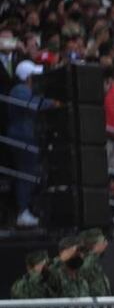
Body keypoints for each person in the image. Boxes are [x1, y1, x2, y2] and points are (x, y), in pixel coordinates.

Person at [9, 59, 47, 228]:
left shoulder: (27, 90)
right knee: (25, 175)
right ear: (27, 77)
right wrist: (52, 103)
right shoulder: (19, 90)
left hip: (28, 137)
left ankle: (29, 209)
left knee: (31, 175)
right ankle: (22, 212)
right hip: (22, 138)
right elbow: (32, 105)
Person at [78, 227, 111, 296]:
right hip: (89, 303)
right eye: (102, 242)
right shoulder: (82, 258)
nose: (105, 244)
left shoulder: (94, 261)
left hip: (101, 302)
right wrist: (95, 252)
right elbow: (83, 271)